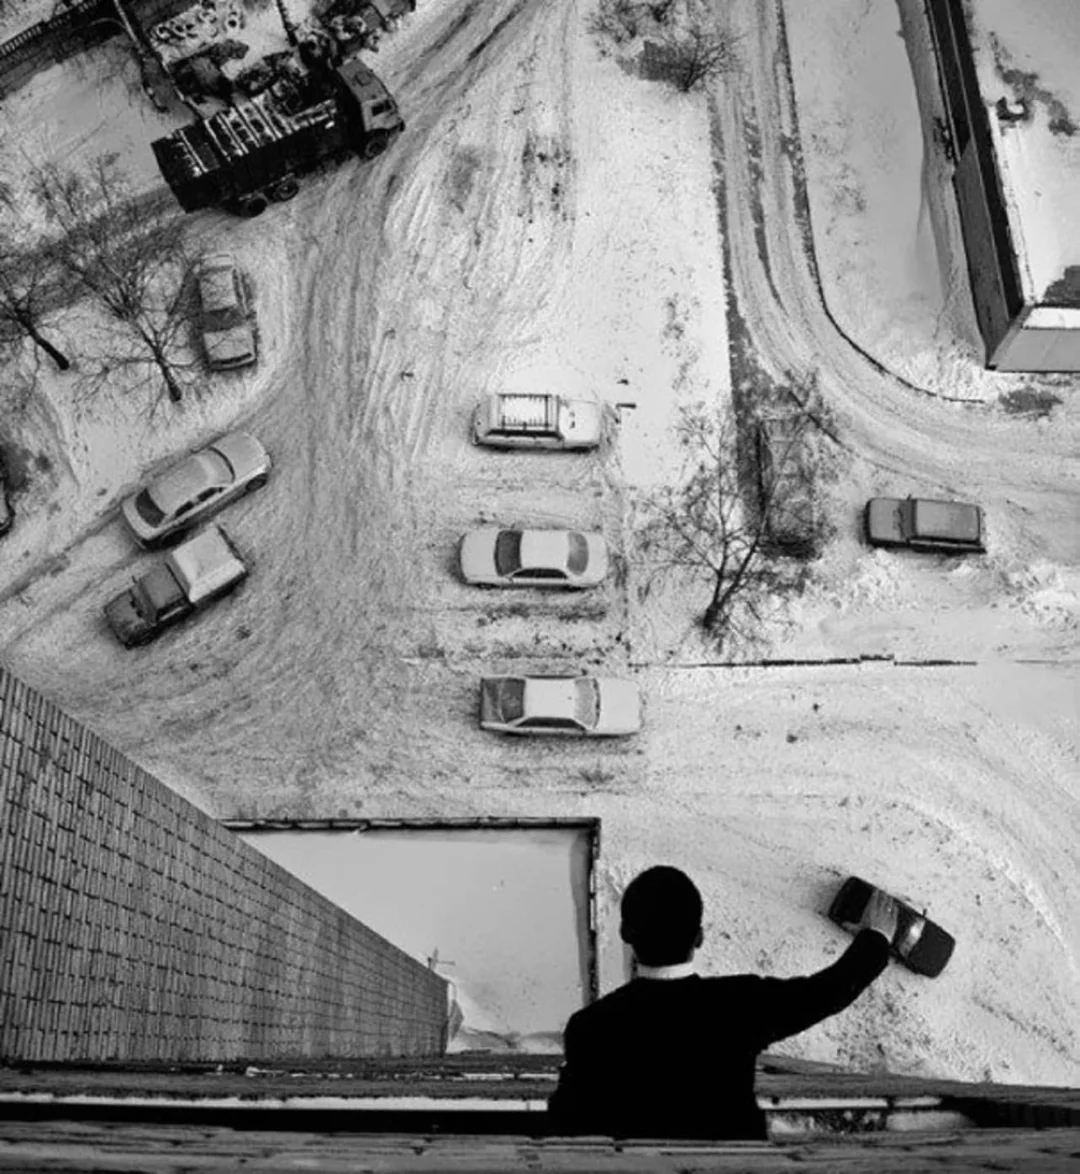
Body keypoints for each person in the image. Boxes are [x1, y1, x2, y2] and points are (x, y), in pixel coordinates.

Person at [547, 865, 897, 1140]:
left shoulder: (589, 1026)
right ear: (699, 937)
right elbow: (825, 993)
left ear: (625, 934)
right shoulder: (740, 1004)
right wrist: (877, 937)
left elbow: (565, 1122)